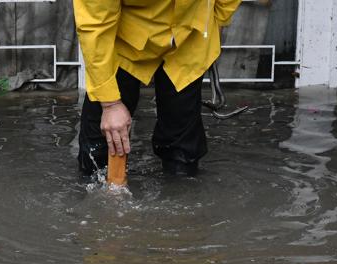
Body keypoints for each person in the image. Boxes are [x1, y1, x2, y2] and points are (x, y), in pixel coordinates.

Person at [74, 0, 243, 177]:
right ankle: (94, 183)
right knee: (98, 147)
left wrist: (218, 21)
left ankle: (181, 191)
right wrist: (110, 104)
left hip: (189, 36)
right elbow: (94, 24)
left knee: (183, 150)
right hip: (124, 40)